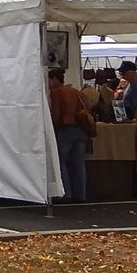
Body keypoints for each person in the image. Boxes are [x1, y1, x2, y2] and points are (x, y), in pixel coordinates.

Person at [47, 69, 86, 203]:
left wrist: (54, 127)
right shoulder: (74, 91)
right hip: (80, 129)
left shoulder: (56, 92)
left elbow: (56, 112)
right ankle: (80, 194)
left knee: (60, 161)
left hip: (66, 128)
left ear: (54, 80)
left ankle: (65, 193)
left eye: (49, 80)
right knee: (78, 163)